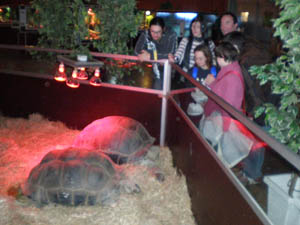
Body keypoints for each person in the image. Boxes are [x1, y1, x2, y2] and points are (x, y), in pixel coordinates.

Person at [168, 16, 215, 88]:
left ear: (203, 28)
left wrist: (213, 74)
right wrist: (174, 58)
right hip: (186, 75)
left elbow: (213, 60)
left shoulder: (209, 43)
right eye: (193, 26)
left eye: (197, 27)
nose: (194, 29)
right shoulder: (186, 40)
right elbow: (178, 54)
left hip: (203, 76)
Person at [134, 17, 177, 89]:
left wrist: (150, 55)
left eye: (158, 32)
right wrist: (159, 56)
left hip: (169, 70)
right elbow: (137, 51)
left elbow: (170, 55)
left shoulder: (171, 35)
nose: (155, 34)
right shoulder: (146, 33)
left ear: (163, 29)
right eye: (152, 31)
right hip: (154, 70)